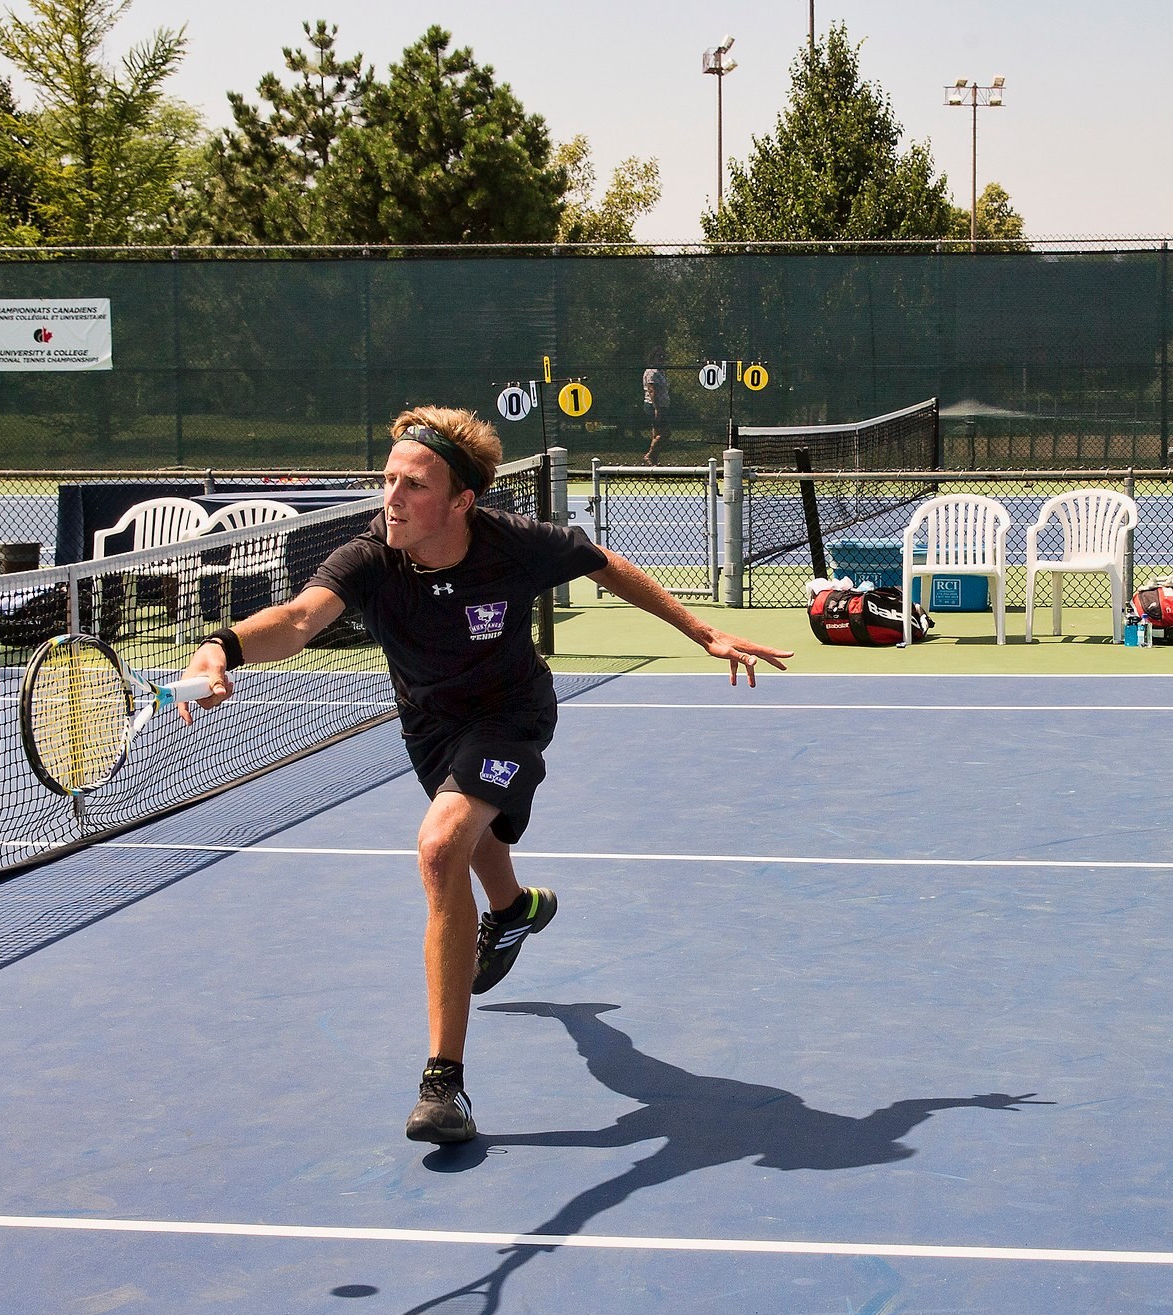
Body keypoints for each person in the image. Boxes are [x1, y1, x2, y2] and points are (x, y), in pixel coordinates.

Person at [179, 406, 792, 1144]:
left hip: (511, 716)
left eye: (413, 485)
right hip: (430, 725)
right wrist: (221, 649)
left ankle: (445, 1084)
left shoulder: (513, 545)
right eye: (388, 480)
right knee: (470, 841)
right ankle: (516, 909)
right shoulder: (371, 557)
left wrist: (703, 629)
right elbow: (299, 618)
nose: (392, 498)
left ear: (461, 501)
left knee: (442, 846)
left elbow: (605, 565)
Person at [641, 365, 670, 464]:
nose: (662, 359)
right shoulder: (651, 372)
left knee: (656, 434)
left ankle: (653, 460)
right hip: (654, 406)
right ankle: (649, 455)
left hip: (662, 406)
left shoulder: (660, 371)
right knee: (665, 433)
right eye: (659, 356)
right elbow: (652, 390)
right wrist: (657, 408)